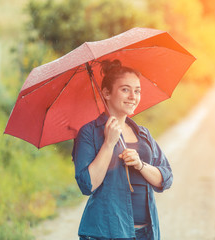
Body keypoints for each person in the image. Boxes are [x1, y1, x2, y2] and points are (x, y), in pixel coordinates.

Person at [72, 59, 173, 240]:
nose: (133, 96)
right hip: (105, 234)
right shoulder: (89, 133)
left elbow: (165, 178)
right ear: (106, 93)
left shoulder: (142, 134)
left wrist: (141, 165)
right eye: (125, 89)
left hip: (147, 233)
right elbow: (87, 185)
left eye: (137, 91)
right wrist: (109, 143)